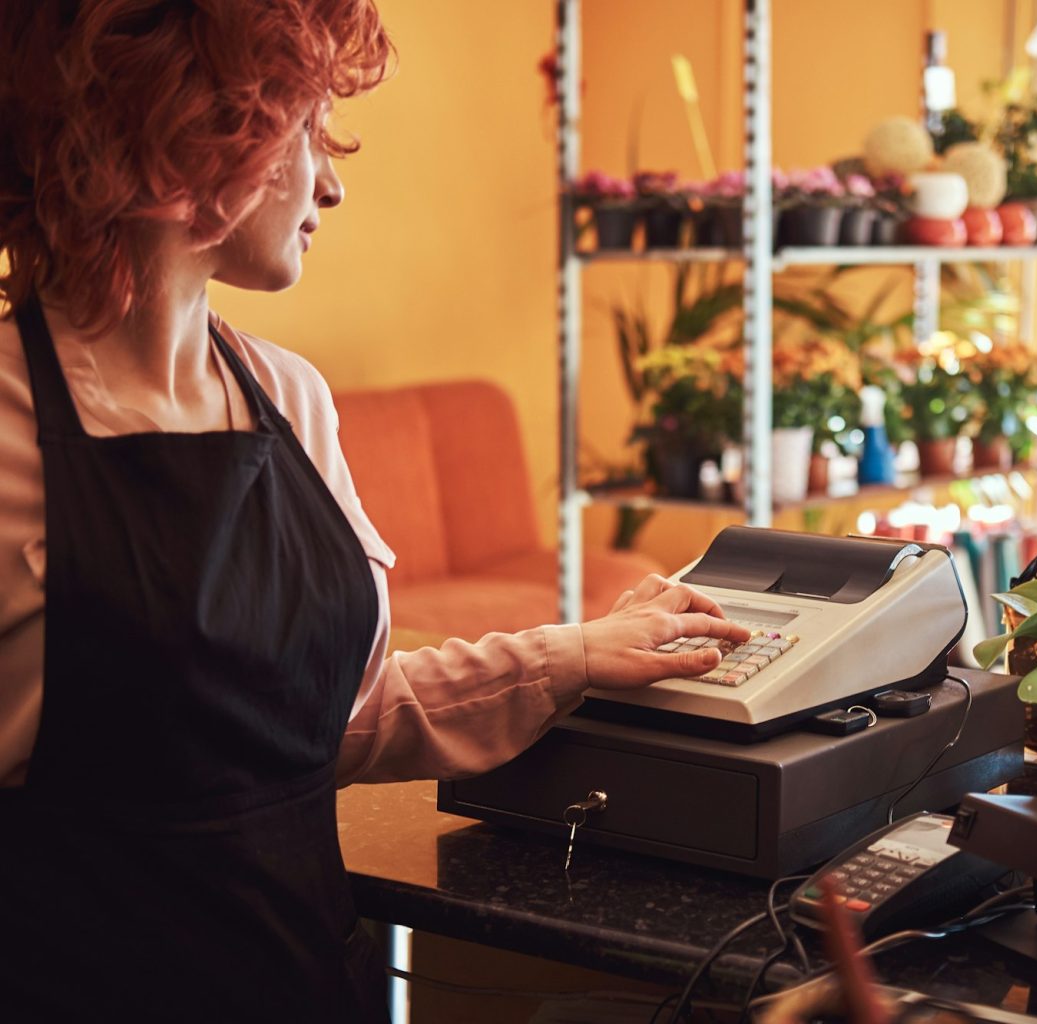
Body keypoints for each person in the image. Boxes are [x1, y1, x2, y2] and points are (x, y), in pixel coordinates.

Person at [0, 2, 749, 1020]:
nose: (334, 181)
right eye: (306, 128)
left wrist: (570, 655)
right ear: (185, 131)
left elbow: (338, 720)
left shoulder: (291, 399)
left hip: (309, 984)